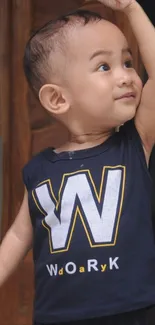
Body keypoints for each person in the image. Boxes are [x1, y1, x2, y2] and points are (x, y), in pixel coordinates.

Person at [1, 0, 155, 324]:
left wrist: (130, 8)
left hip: (132, 311)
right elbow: (17, 236)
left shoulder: (134, 142)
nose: (127, 76)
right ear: (58, 98)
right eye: (104, 67)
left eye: (128, 62)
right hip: (58, 315)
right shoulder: (39, 171)